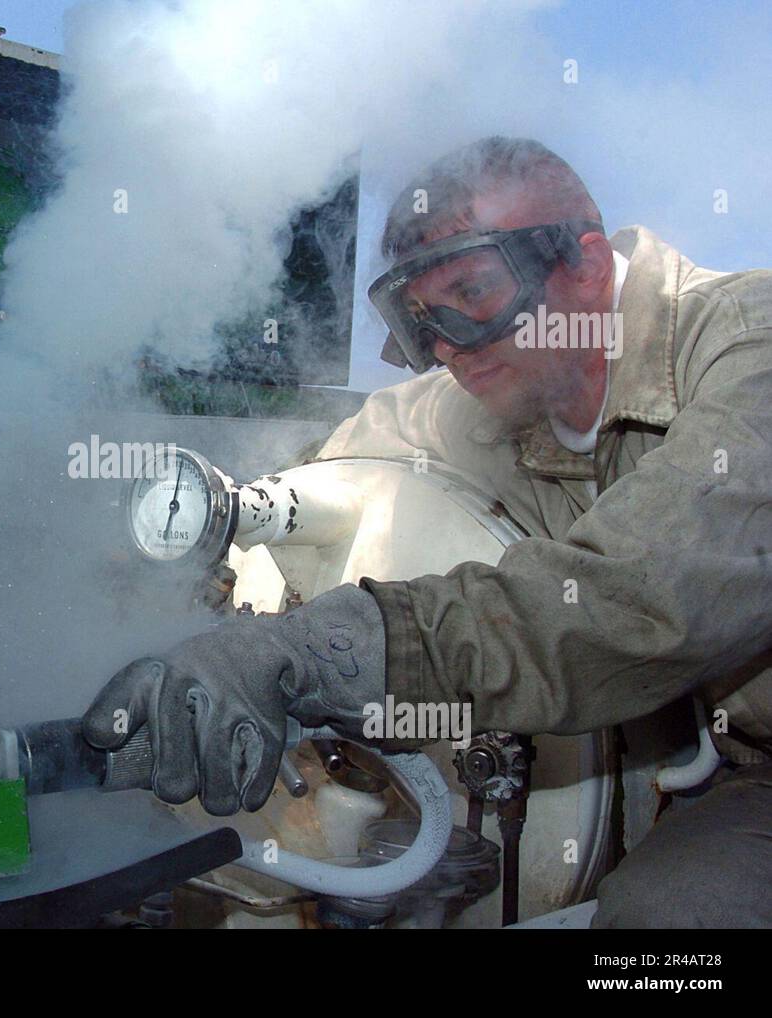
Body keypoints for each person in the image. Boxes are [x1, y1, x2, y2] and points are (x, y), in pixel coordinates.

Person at [83, 137, 772, 927]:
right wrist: (182, 577)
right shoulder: (499, 382)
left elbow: (644, 597)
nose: (448, 346)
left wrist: (319, 654)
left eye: (473, 294)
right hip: (724, 765)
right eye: (423, 320)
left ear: (584, 265)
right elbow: (346, 458)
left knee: (673, 924)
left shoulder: (751, 348)